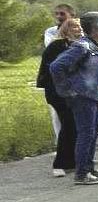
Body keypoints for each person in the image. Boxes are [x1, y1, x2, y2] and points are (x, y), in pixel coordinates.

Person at [49, 11, 98, 185]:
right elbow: (56, 66)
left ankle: (89, 167)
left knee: (92, 134)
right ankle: (81, 174)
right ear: (95, 27)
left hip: (96, 97)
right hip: (84, 97)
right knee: (86, 134)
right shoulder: (82, 46)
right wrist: (68, 91)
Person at [37, 17, 82, 177]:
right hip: (58, 92)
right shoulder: (57, 45)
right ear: (66, 29)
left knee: (74, 126)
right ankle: (60, 164)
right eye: (74, 27)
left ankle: (72, 161)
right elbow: (52, 70)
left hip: (72, 92)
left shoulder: (77, 45)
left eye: (79, 27)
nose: (78, 29)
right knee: (68, 125)